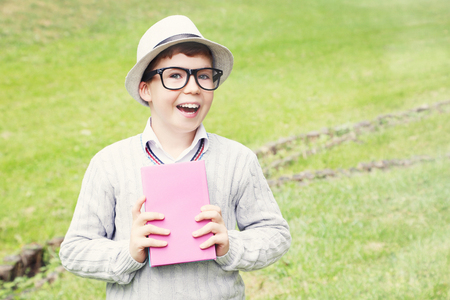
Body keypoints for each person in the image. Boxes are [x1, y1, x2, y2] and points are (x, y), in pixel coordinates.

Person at [60, 15, 291, 299]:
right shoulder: (109, 164)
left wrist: (230, 243)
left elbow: (275, 234)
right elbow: (74, 249)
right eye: (175, 76)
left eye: (203, 75)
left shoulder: (237, 159)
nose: (193, 87)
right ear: (145, 89)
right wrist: (128, 251)